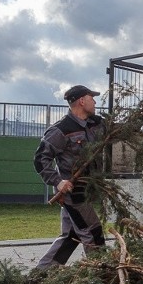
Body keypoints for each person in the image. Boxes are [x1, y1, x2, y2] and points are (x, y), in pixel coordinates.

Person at [33, 84, 106, 269]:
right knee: (93, 232)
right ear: (82, 101)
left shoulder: (96, 124)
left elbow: (120, 130)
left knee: (71, 236)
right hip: (74, 194)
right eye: (92, 97)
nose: (95, 101)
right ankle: (102, 274)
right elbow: (41, 159)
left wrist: (141, 118)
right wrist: (58, 182)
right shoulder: (61, 130)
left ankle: (41, 275)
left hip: (86, 190)